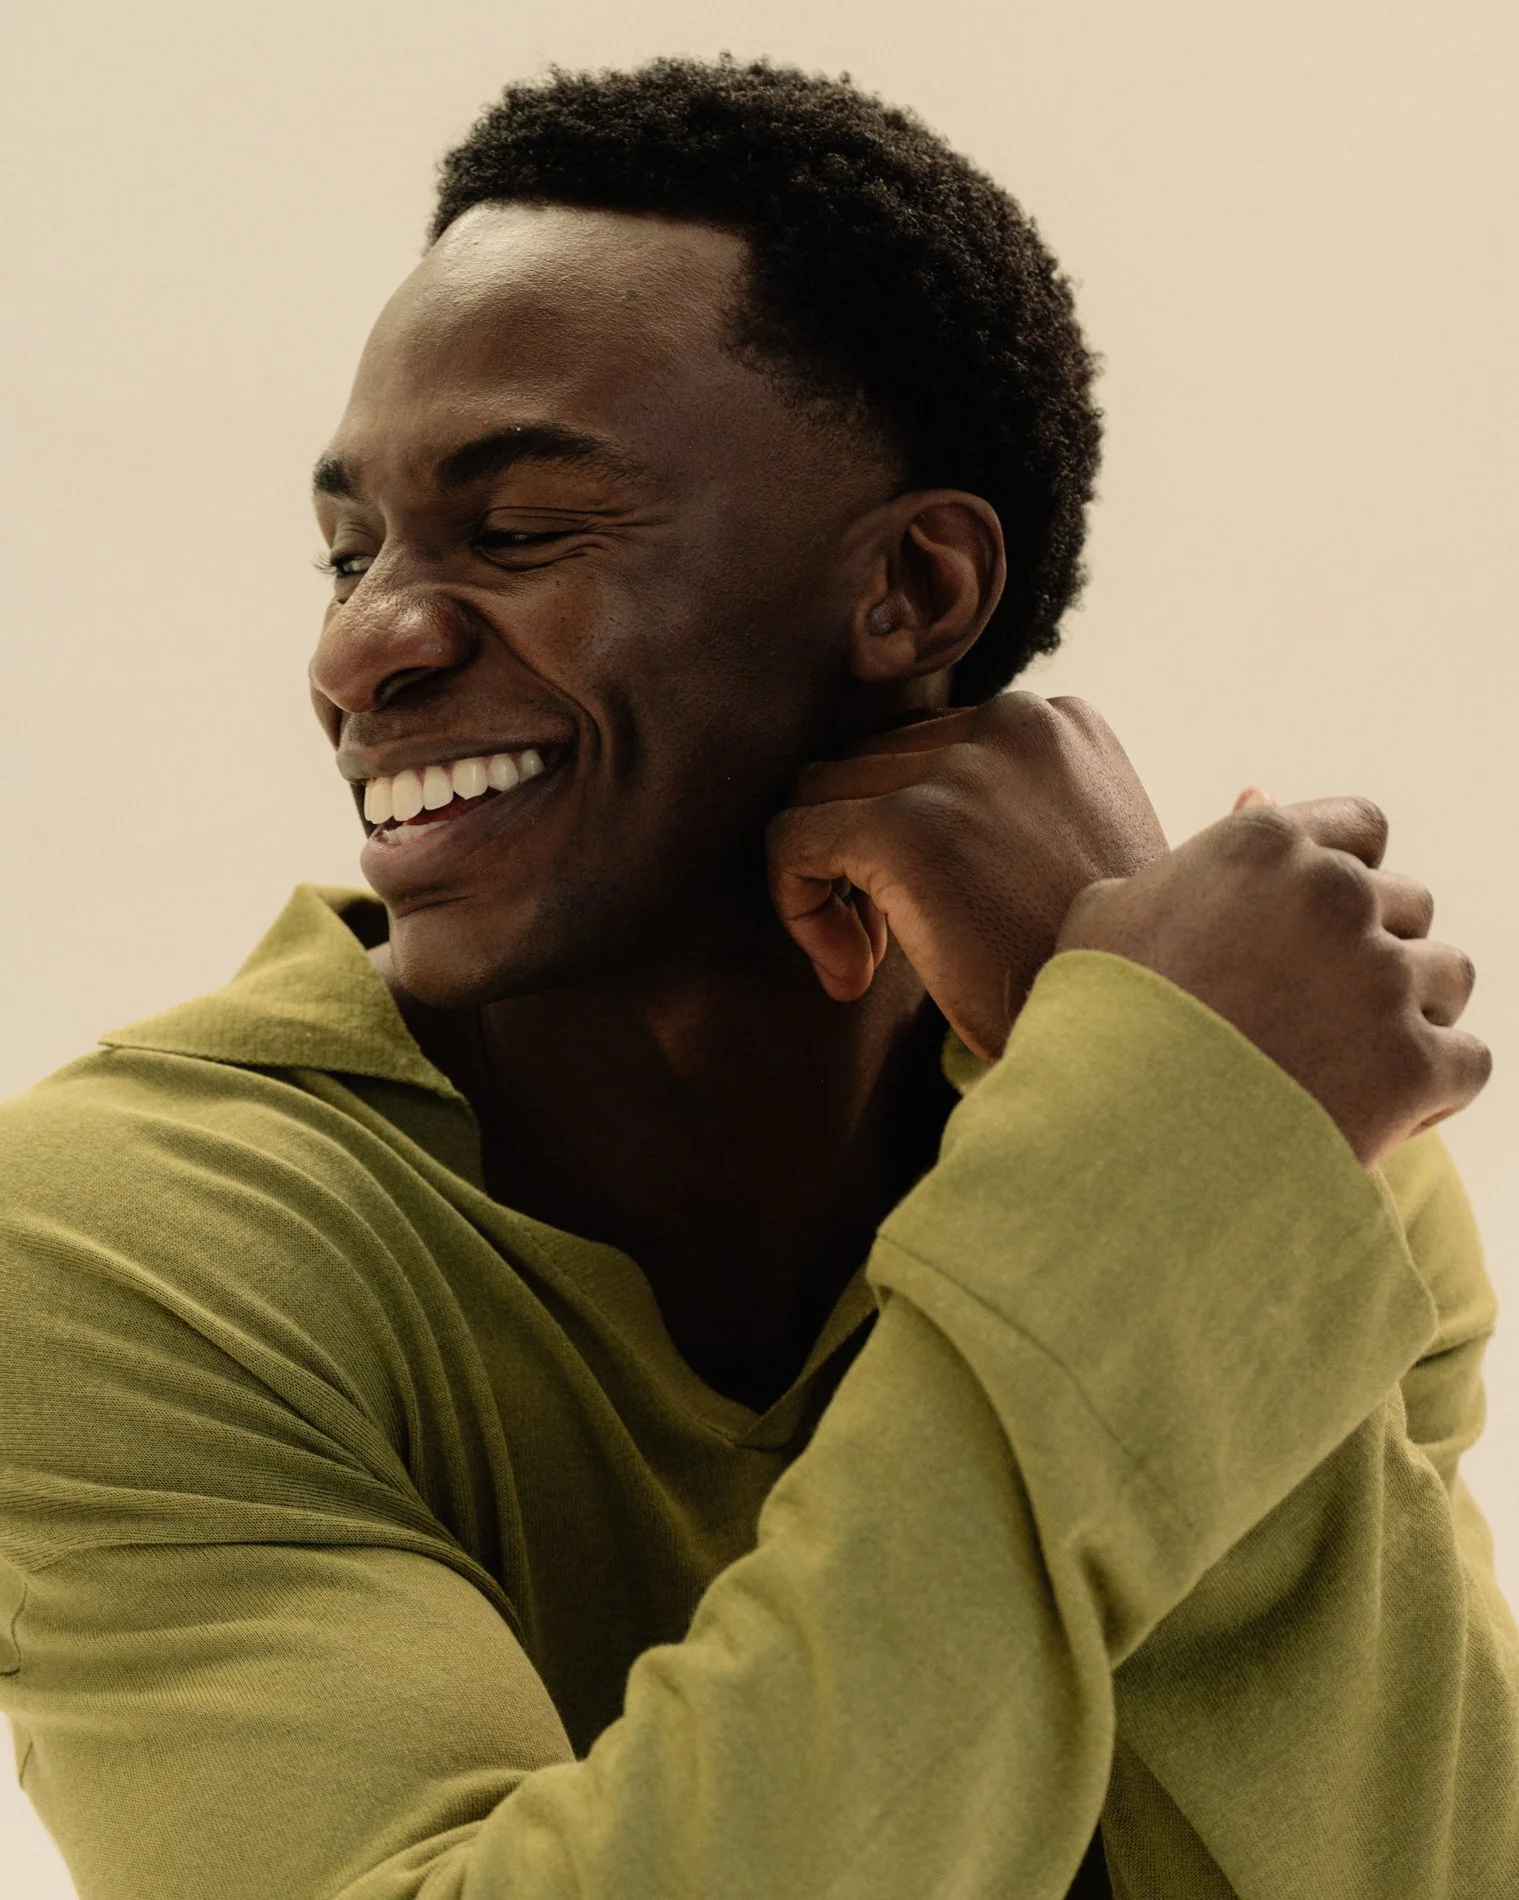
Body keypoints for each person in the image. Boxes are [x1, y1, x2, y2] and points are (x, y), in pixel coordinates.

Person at [1, 54, 1512, 1900]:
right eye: (348, 553)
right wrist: (1167, 1149)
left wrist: (1139, 1098)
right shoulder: (114, 1249)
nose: (366, 647)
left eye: (523, 527)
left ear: (913, 594)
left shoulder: (1253, 1123)